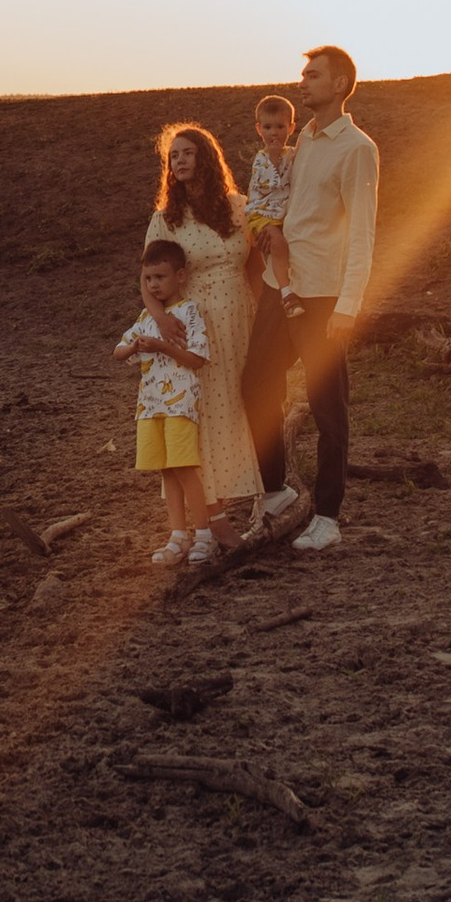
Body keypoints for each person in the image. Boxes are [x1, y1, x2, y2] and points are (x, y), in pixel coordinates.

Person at [241, 45, 380, 553]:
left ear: (340, 84)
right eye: (302, 73)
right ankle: (276, 490)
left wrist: (349, 306)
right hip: (283, 286)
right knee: (254, 381)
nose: (302, 81)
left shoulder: (357, 148)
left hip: (323, 295)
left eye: (313, 75)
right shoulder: (304, 138)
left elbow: (364, 233)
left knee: (328, 407)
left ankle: (327, 516)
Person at [144, 124, 262, 533]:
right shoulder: (166, 219)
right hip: (193, 325)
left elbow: (255, 267)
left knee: (237, 407)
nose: (179, 160)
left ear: (206, 158)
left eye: (188, 152)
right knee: (203, 412)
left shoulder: (238, 207)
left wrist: (267, 317)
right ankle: (209, 515)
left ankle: (238, 500)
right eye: (173, 155)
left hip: (239, 318)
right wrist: (161, 318)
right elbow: (147, 279)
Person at [116, 238, 215, 567]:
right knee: (166, 471)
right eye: (148, 279)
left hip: (180, 405)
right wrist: (134, 348)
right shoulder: (146, 316)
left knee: (185, 468)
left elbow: (197, 359)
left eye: (160, 277)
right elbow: (118, 351)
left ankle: (204, 534)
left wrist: (161, 346)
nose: (154, 284)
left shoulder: (189, 312)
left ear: (181, 276)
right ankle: (178, 535)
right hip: (150, 407)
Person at [243, 95, 297, 292]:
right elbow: (269, 186)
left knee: (284, 246)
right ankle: (285, 289)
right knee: (278, 245)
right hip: (263, 213)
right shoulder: (262, 159)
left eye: (280, 127)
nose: (274, 133)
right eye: (267, 127)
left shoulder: (293, 153)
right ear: (259, 130)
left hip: (279, 212)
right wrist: (274, 159)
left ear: (291, 128)